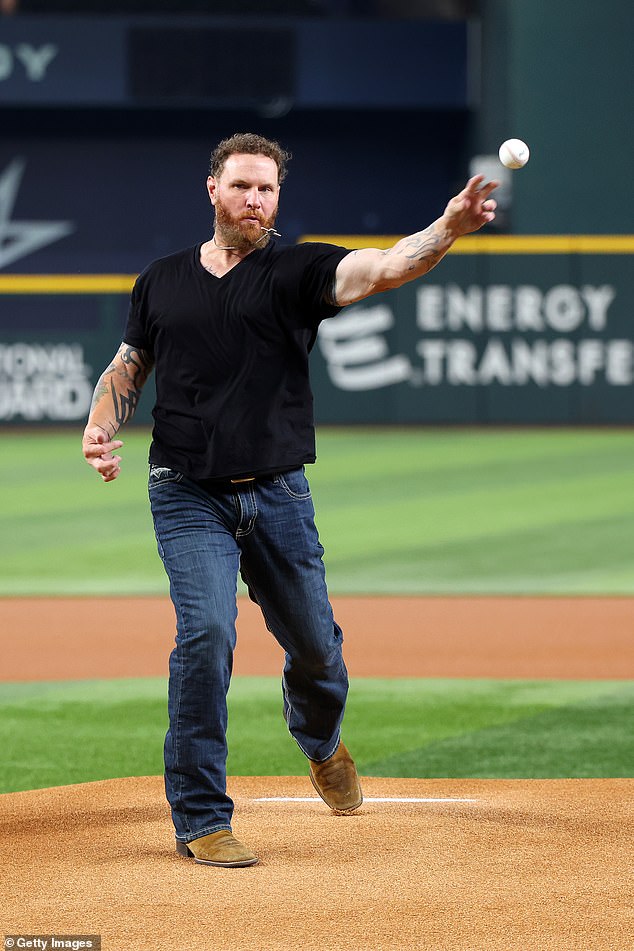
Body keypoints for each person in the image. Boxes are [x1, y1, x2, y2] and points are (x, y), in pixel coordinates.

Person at [82, 132, 497, 868]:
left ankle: (320, 739)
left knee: (317, 648)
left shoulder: (299, 269)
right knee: (206, 636)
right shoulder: (162, 279)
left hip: (276, 492)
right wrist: (100, 422)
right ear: (212, 189)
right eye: (242, 185)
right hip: (185, 493)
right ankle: (203, 817)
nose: (255, 199)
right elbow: (130, 361)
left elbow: (386, 266)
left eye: (267, 189)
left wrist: (448, 230)